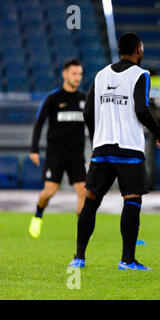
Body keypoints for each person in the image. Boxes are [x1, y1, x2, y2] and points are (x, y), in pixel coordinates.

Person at [69, 32, 160, 270]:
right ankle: (127, 260)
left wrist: (97, 139)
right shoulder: (140, 75)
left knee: (91, 201)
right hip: (128, 149)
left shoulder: (101, 75)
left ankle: (79, 258)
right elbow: (142, 110)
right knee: (131, 201)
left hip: (102, 149)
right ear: (139, 49)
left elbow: (87, 113)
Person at [28, 59, 86, 239]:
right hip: (56, 154)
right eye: (74, 74)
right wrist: (34, 149)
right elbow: (39, 123)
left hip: (76, 154)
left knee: (83, 191)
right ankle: (38, 214)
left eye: (80, 74)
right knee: (50, 191)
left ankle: (82, 230)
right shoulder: (53, 98)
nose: (77, 78)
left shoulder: (84, 99)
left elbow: (92, 126)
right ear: (65, 74)